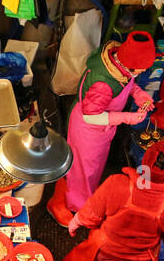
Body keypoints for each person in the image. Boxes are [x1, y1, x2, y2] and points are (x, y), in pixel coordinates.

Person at [57, 30, 157, 216]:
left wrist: (138, 94)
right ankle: (79, 210)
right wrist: (126, 117)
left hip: (103, 128)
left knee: (94, 167)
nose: (143, 71)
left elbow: (127, 82)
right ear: (130, 65)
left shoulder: (118, 61)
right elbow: (91, 116)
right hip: (88, 129)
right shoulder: (102, 84)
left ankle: (88, 198)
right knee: (83, 171)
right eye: (141, 69)